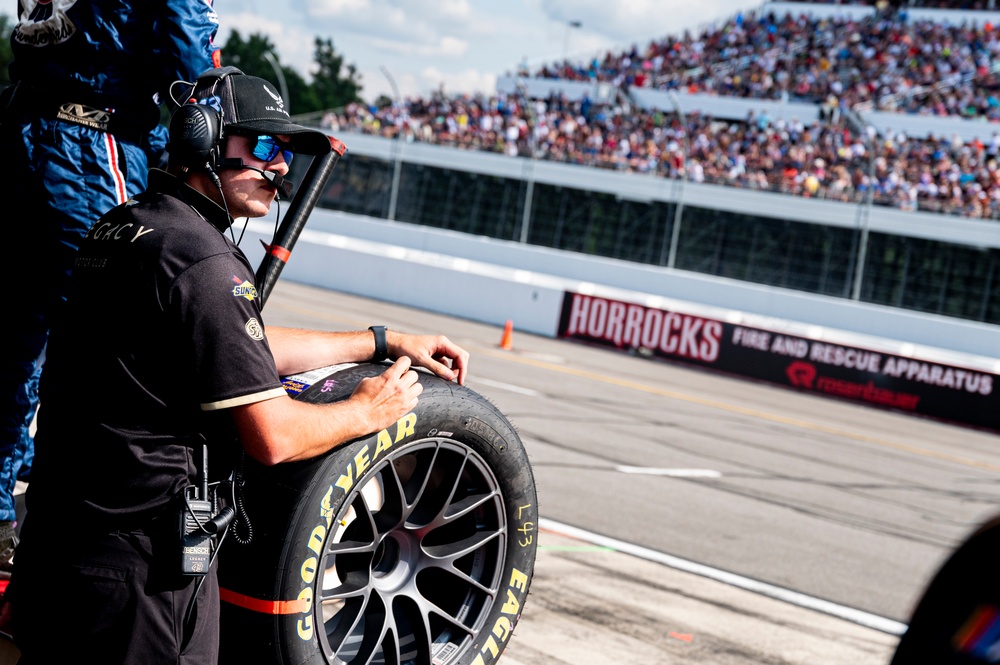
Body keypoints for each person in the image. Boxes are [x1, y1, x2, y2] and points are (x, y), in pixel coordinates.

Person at [5, 65, 470, 664]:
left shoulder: (121, 230)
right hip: (143, 586)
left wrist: (378, 340)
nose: (280, 168)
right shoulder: (201, 261)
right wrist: (366, 409)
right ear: (203, 137)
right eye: (265, 146)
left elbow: (228, 351)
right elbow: (272, 438)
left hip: (60, 560)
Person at [0, 0, 221, 571]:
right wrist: (213, 109)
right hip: (88, 145)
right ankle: (69, 515)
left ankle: (4, 499)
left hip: (21, 124)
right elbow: (187, 50)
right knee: (106, 342)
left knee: (16, 336)